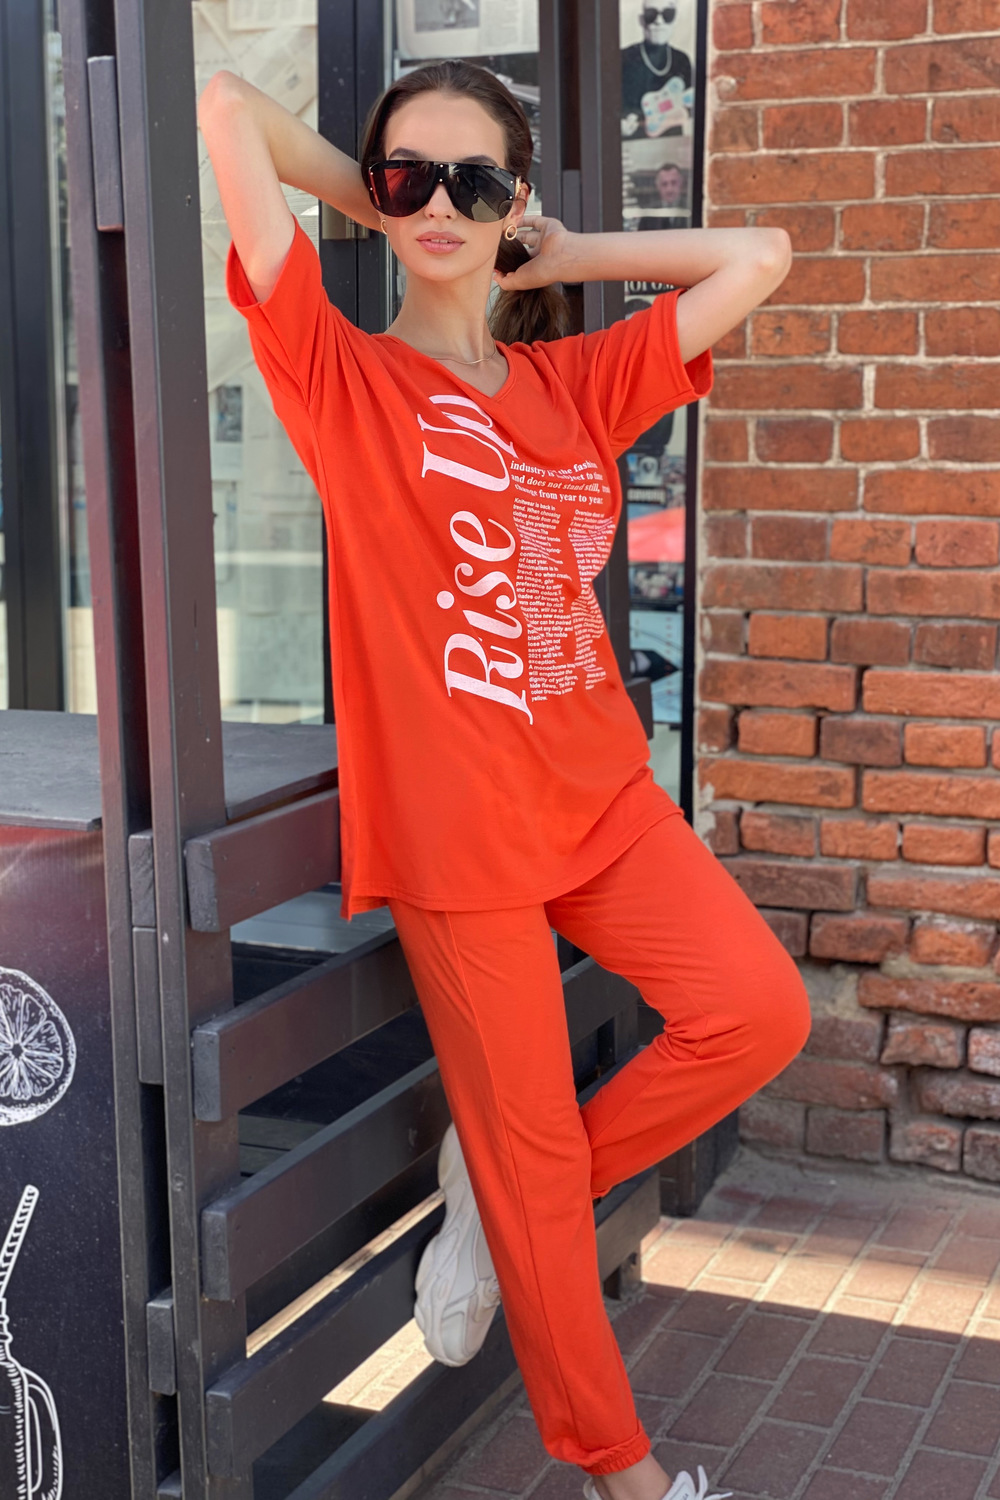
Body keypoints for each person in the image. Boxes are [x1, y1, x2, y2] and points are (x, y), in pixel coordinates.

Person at [199, 59, 808, 1500]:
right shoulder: (340, 375)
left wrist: (555, 248)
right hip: (458, 837)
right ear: (377, 187)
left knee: (756, 1012)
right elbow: (224, 109)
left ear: (515, 195)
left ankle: (509, 1188)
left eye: (474, 179)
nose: (438, 202)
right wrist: (399, 209)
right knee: (534, 1172)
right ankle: (624, 1477)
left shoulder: (570, 381)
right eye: (408, 173)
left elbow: (761, 255)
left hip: (601, 799)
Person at [621, 6, 693, 140]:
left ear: (674, 20)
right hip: (632, 144)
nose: (659, 21)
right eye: (651, 14)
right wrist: (619, 124)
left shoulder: (682, 60)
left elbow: (694, 107)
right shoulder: (623, 58)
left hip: (673, 144)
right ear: (641, 20)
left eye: (668, 14)